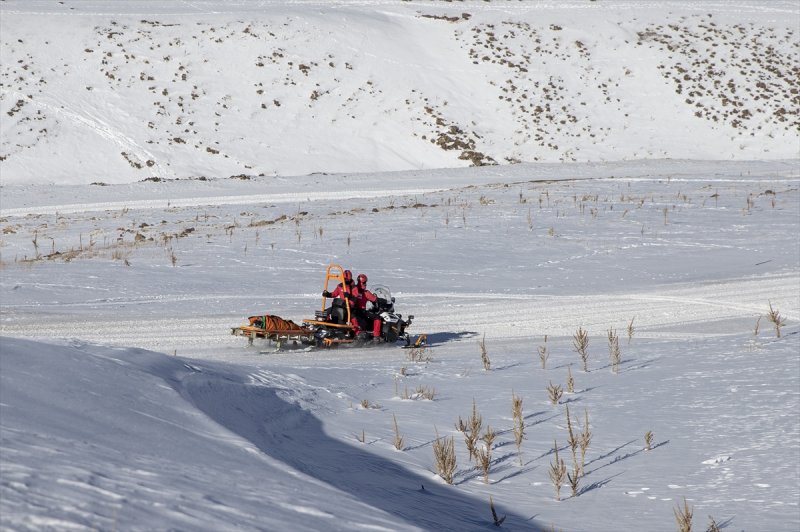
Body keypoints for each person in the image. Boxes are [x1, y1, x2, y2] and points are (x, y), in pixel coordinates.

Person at [352, 273, 382, 340]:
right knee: (377, 317)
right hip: (361, 312)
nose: (365, 284)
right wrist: (382, 300)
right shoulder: (365, 293)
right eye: (364, 282)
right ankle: (376, 336)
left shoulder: (353, 289)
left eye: (365, 282)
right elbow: (374, 299)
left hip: (353, 311)